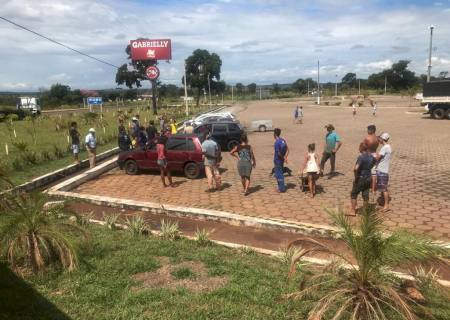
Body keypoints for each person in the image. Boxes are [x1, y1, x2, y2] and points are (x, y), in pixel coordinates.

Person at [349, 142, 375, 216]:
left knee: (354, 194)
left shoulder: (361, 157)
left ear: (361, 148)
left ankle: (353, 211)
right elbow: (374, 163)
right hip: (368, 177)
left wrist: (356, 176)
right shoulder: (371, 156)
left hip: (361, 177)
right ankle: (365, 212)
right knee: (365, 195)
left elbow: (355, 168)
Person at [375, 133, 392, 212]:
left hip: (382, 170)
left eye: (379, 138)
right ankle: (383, 201)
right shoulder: (388, 147)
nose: (379, 140)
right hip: (384, 170)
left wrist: (373, 155)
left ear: (382, 139)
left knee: (384, 189)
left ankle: (386, 205)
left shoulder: (384, 148)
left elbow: (378, 157)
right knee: (382, 188)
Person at [363, 125, 380, 199]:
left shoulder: (367, 138)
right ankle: (373, 189)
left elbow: (363, 148)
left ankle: (365, 186)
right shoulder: (377, 138)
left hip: (368, 155)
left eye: (368, 130)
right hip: (375, 154)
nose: (367, 131)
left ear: (371, 130)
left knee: (365, 171)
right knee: (374, 173)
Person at [273, 128, 289, 193]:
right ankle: (280, 187)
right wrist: (285, 157)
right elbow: (288, 149)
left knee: (279, 175)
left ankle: (281, 189)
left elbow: (278, 153)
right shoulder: (283, 140)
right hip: (281, 161)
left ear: (275, 134)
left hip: (278, 161)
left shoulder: (276, 143)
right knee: (279, 173)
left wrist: (283, 158)